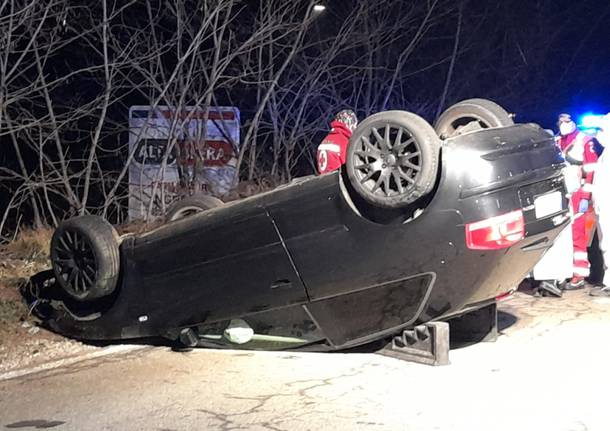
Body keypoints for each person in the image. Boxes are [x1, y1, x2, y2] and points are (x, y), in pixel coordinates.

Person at [556, 113, 599, 289]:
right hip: (561, 192)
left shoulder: (584, 140)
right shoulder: (557, 141)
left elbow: (591, 169)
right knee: (561, 235)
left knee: (577, 234)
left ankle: (579, 275)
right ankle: (561, 273)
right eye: (561, 122)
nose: (564, 124)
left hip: (577, 191)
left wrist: (585, 196)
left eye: (567, 121)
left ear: (574, 123)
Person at [590, 113, 610, 297]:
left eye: (602, 130)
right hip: (603, 207)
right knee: (605, 243)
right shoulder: (605, 154)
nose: (599, 135)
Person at [316, 110, 358, 174]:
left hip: (322, 180)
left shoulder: (325, 140)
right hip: (337, 180)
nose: (355, 128)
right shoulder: (345, 142)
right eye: (355, 125)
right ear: (350, 124)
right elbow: (352, 167)